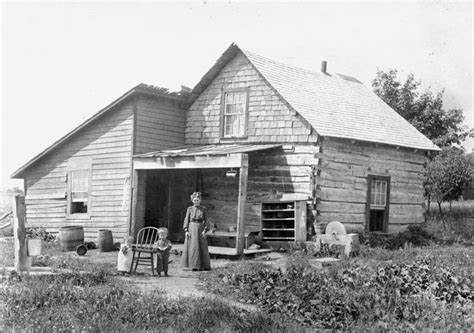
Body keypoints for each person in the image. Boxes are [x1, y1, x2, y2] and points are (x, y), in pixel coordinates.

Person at [180, 192, 211, 271]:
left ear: (200, 200)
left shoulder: (203, 209)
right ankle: (191, 265)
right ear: (192, 201)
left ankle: (202, 266)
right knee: (192, 246)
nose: (196, 201)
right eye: (194, 200)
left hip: (200, 228)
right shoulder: (189, 209)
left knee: (201, 246)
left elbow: (207, 220)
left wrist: (205, 230)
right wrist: (186, 230)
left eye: (197, 200)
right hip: (191, 228)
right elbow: (186, 219)